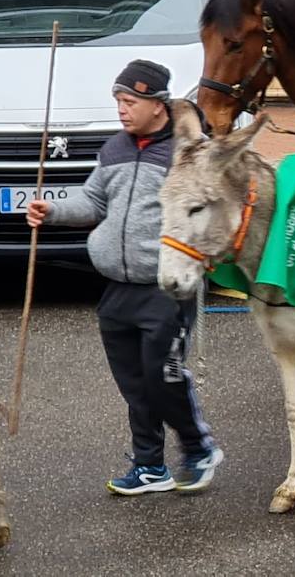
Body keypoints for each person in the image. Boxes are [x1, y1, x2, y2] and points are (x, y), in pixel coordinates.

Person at [27, 59, 223, 496]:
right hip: (116, 287)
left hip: (166, 288)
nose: (121, 109)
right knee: (135, 383)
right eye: (118, 101)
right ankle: (151, 465)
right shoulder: (115, 148)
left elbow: (212, 209)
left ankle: (198, 449)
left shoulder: (188, 152)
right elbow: (95, 202)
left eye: (130, 101)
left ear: (158, 104)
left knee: (163, 376)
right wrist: (53, 211)